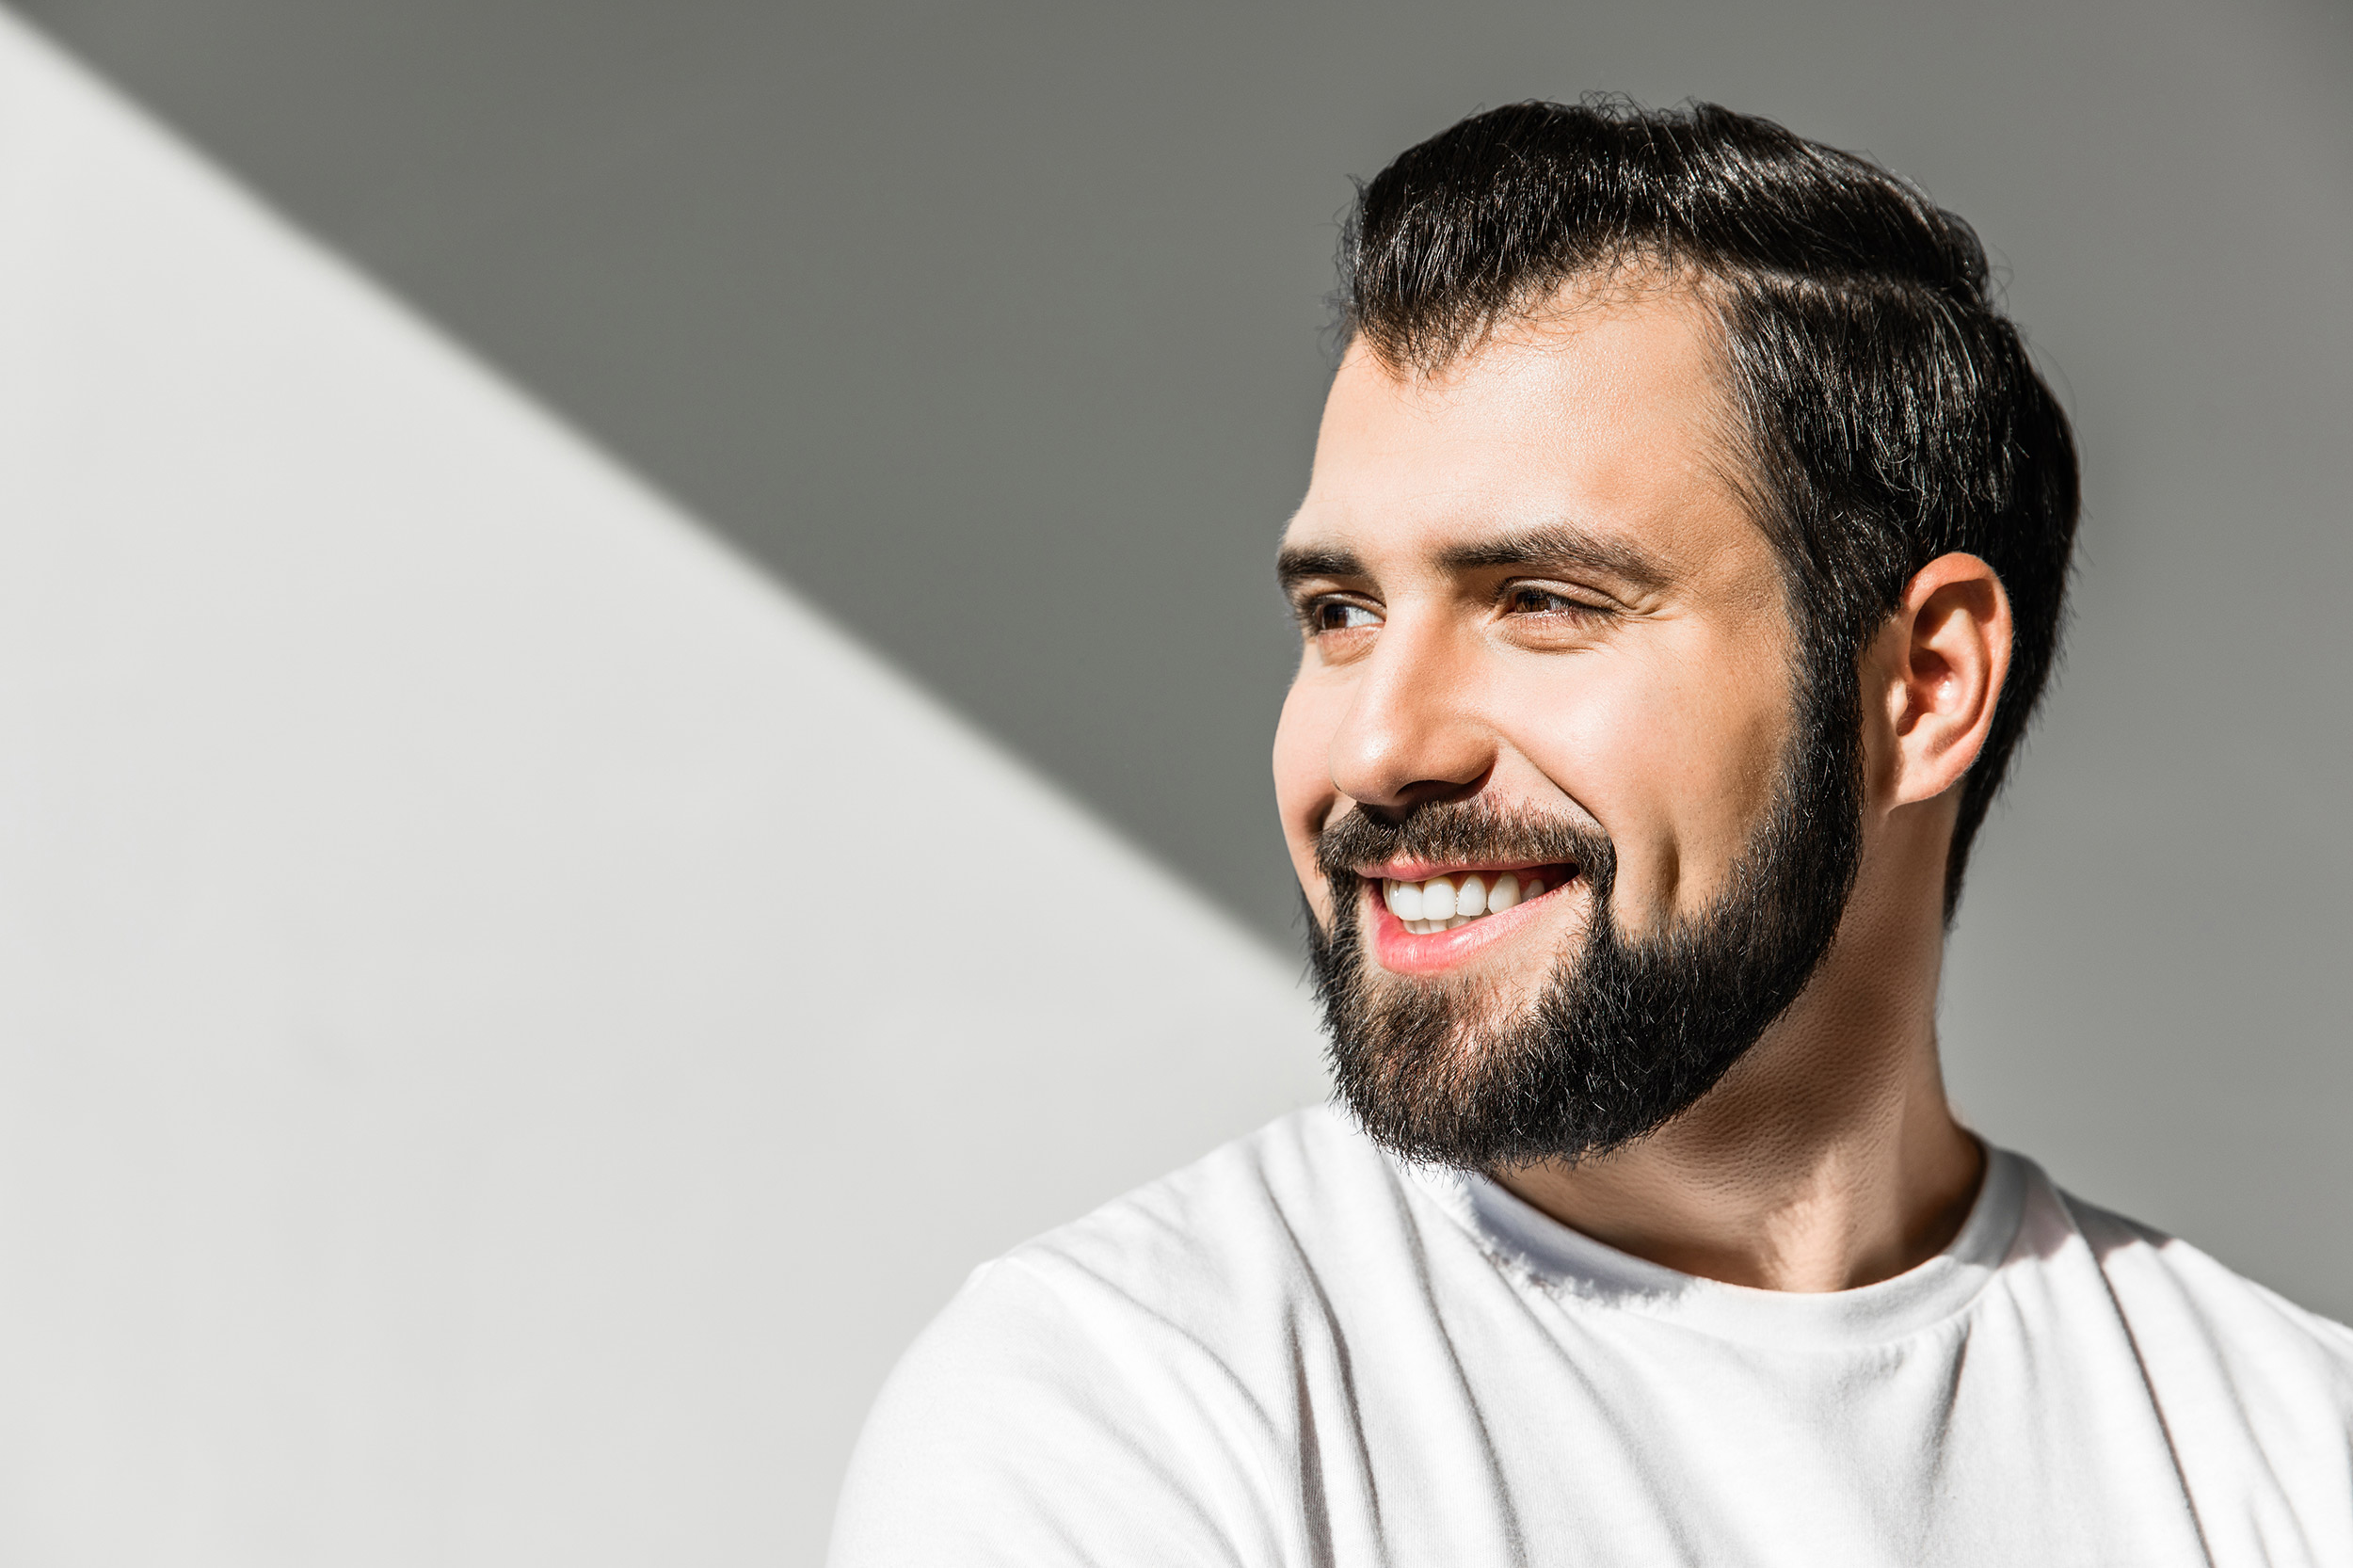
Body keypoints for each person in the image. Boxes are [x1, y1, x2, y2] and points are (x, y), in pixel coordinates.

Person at [826, 100, 2353, 1566]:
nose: (1376, 746)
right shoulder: (1134, 1408)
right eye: (1342, 613)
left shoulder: (2295, 1453)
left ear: (1924, 685)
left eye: (1545, 604)